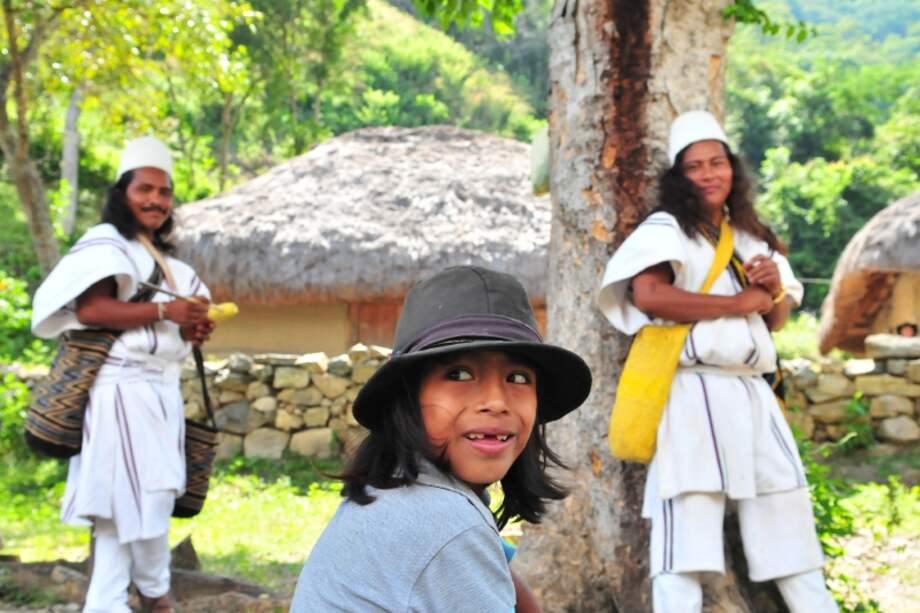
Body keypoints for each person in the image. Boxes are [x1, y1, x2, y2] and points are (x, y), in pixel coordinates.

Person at [599, 111, 837, 612]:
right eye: (695, 166)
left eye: (718, 162)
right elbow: (648, 295)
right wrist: (735, 304)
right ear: (678, 177)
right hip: (692, 395)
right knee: (684, 539)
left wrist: (772, 287)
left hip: (752, 394)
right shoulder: (667, 230)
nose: (709, 173)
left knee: (788, 524)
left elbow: (774, 322)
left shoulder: (751, 234)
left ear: (733, 169)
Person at [291, 265, 593, 612]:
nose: (496, 401)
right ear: (407, 399)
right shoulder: (444, 521)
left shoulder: (399, 495)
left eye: (519, 377)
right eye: (459, 373)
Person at [31, 136, 214, 613]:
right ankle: (153, 597)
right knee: (126, 511)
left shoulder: (172, 266)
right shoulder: (105, 245)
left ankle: (149, 596)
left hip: (160, 393)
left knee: (145, 505)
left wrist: (192, 325)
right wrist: (165, 313)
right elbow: (92, 309)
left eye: (165, 192)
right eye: (145, 189)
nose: (156, 200)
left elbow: (174, 325)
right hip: (122, 392)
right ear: (122, 193)